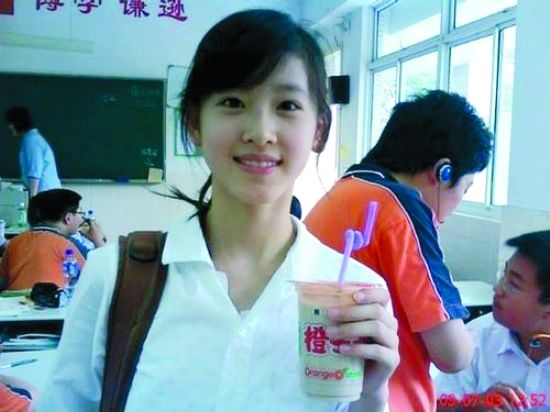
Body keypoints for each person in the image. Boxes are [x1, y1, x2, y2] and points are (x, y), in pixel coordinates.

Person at [35, 9, 399, 412]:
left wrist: (371, 395)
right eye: (232, 102)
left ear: (319, 129)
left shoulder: (356, 296)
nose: (260, 132)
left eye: (287, 105)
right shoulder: (115, 279)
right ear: (194, 123)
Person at [305, 90, 494, 412]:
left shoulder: (339, 193)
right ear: (444, 172)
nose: (458, 203)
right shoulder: (403, 207)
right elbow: (454, 355)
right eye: (465, 188)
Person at [436, 230, 550, 411]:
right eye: (504, 275)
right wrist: (470, 406)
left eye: (514, 284)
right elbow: (433, 404)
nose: (497, 288)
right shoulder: (477, 339)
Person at [0, 188, 105, 290]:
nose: (82, 219)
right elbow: (96, 279)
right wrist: (98, 241)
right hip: (49, 300)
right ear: (68, 218)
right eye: (80, 213)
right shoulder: (66, 244)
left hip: (13, 300)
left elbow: (2, 280)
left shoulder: (15, 242)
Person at [4, 106, 61, 197]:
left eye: (11, 123)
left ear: (19, 123)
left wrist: (33, 199)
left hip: (46, 195)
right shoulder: (32, 139)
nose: (9, 126)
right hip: (48, 194)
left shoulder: (32, 141)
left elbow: (35, 173)